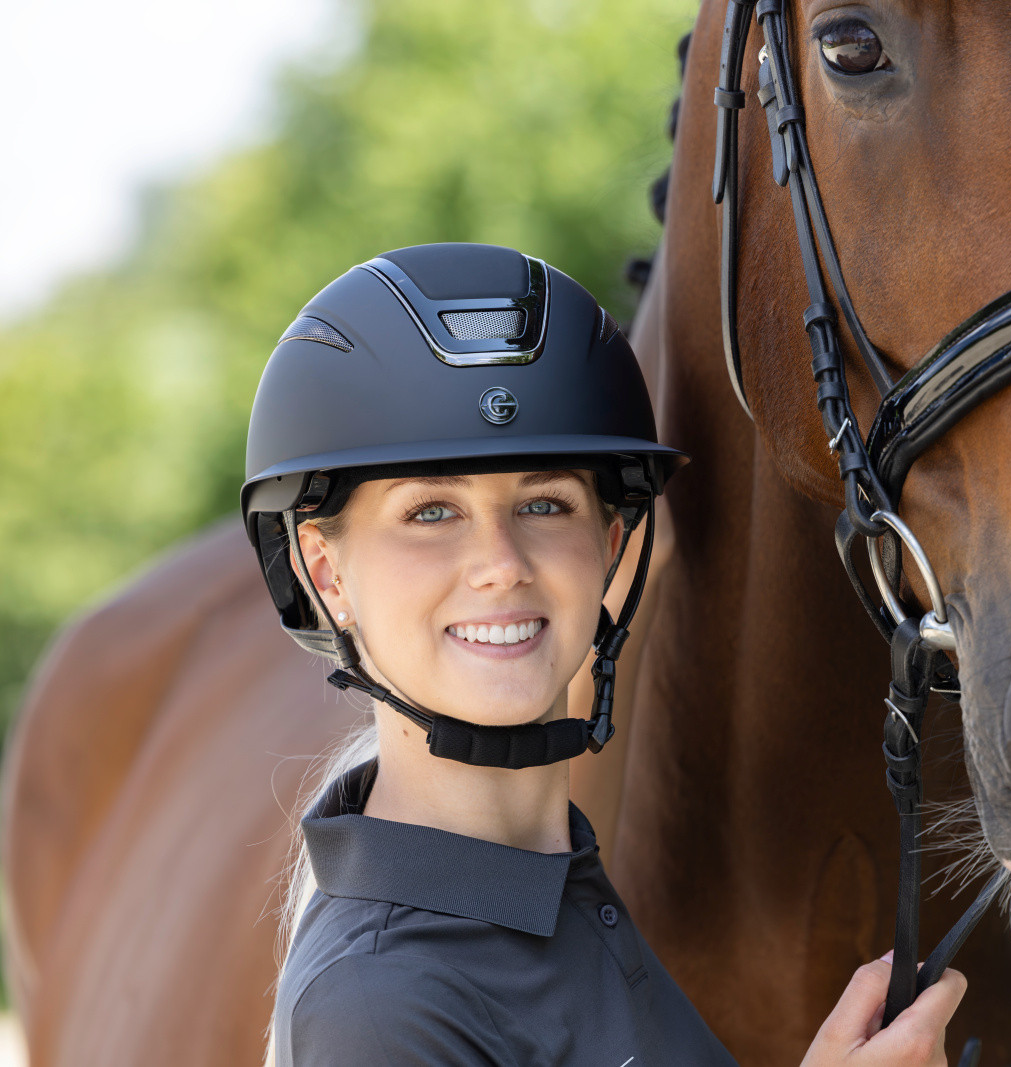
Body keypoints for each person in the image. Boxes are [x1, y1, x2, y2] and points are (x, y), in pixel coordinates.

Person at [242, 242, 967, 1065]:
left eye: (545, 503)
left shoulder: (557, 882)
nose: (502, 564)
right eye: (431, 512)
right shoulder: (377, 1011)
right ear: (326, 572)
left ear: (612, 545)